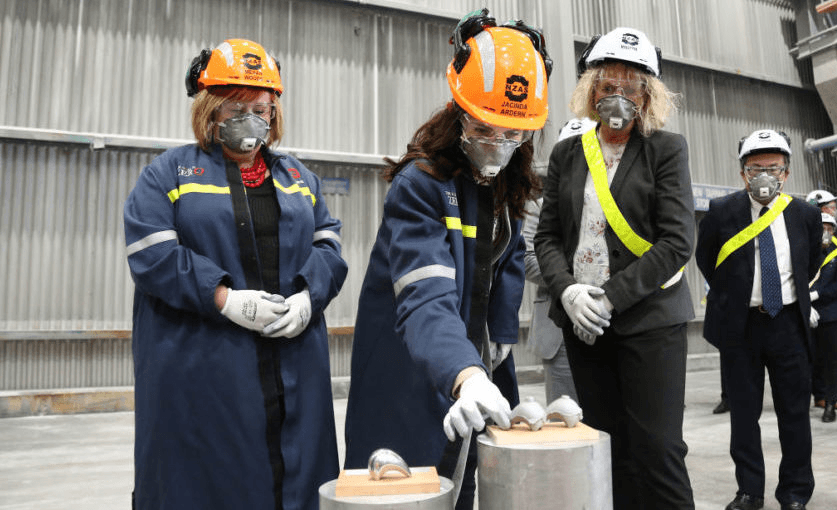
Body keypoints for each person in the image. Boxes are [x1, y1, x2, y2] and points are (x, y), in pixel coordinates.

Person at [123, 39, 348, 510]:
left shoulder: (298, 178)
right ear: (209, 108)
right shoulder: (170, 173)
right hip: (204, 369)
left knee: (296, 479)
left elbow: (329, 244)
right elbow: (152, 253)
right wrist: (225, 298)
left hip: (293, 366)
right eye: (236, 106)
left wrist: (310, 295)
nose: (251, 117)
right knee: (209, 481)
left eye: (262, 107)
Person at [343, 9, 549, 510]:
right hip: (415, 358)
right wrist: (466, 373)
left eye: (513, 134)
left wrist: (500, 333)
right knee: (411, 481)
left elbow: (508, 259)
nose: (499, 146)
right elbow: (424, 295)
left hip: (474, 348)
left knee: (467, 474)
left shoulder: (504, 178)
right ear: (458, 111)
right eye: (485, 130)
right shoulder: (421, 186)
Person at [534, 27, 695, 509]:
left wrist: (610, 296)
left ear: (648, 95)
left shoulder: (666, 149)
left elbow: (676, 242)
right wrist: (567, 292)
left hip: (649, 321)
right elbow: (547, 235)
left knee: (658, 450)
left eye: (631, 85)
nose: (618, 95)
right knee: (608, 446)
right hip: (584, 324)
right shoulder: (567, 152)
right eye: (608, 85)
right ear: (591, 90)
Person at [696, 129, 821, 510]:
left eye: (772, 167)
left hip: (788, 325)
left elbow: (809, 262)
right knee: (744, 416)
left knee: (794, 414)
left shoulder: (805, 214)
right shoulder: (722, 211)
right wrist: (734, 296)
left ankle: (796, 492)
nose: (763, 175)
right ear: (742, 172)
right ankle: (749, 491)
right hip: (741, 327)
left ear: (786, 173)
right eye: (755, 168)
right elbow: (706, 259)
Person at [522, 118, 594, 403]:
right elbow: (525, 257)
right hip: (558, 327)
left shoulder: (617, 203)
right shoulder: (540, 206)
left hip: (610, 319)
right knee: (565, 414)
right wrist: (572, 282)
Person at [806, 189, 837, 410]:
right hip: (809, 313)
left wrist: (817, 294)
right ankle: (819, 396)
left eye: (829, 229)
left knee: (834, 359)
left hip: (833, 313)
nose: (825, 232)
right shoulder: (806, 251)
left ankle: (831, 400)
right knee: (813, 359)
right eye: (822, 228)